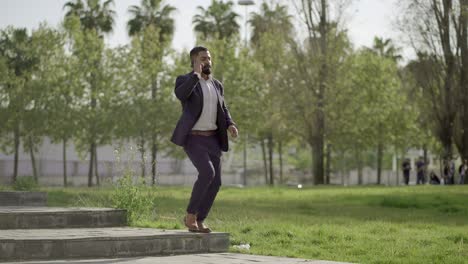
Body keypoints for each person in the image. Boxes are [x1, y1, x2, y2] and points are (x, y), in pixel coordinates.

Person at [171, 46, 238, 233]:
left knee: (216, 182)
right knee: (207, 173)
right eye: (203, 58)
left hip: (213, 139)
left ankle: (199, 220)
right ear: (194, 61)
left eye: (209, 58)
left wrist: (230, 124)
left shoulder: (217, 85)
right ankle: (190, 215)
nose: (207, 61)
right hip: (193, 139)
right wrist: (195, 75)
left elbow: (223, 108)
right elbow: (181, 95)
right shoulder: (185, 80)